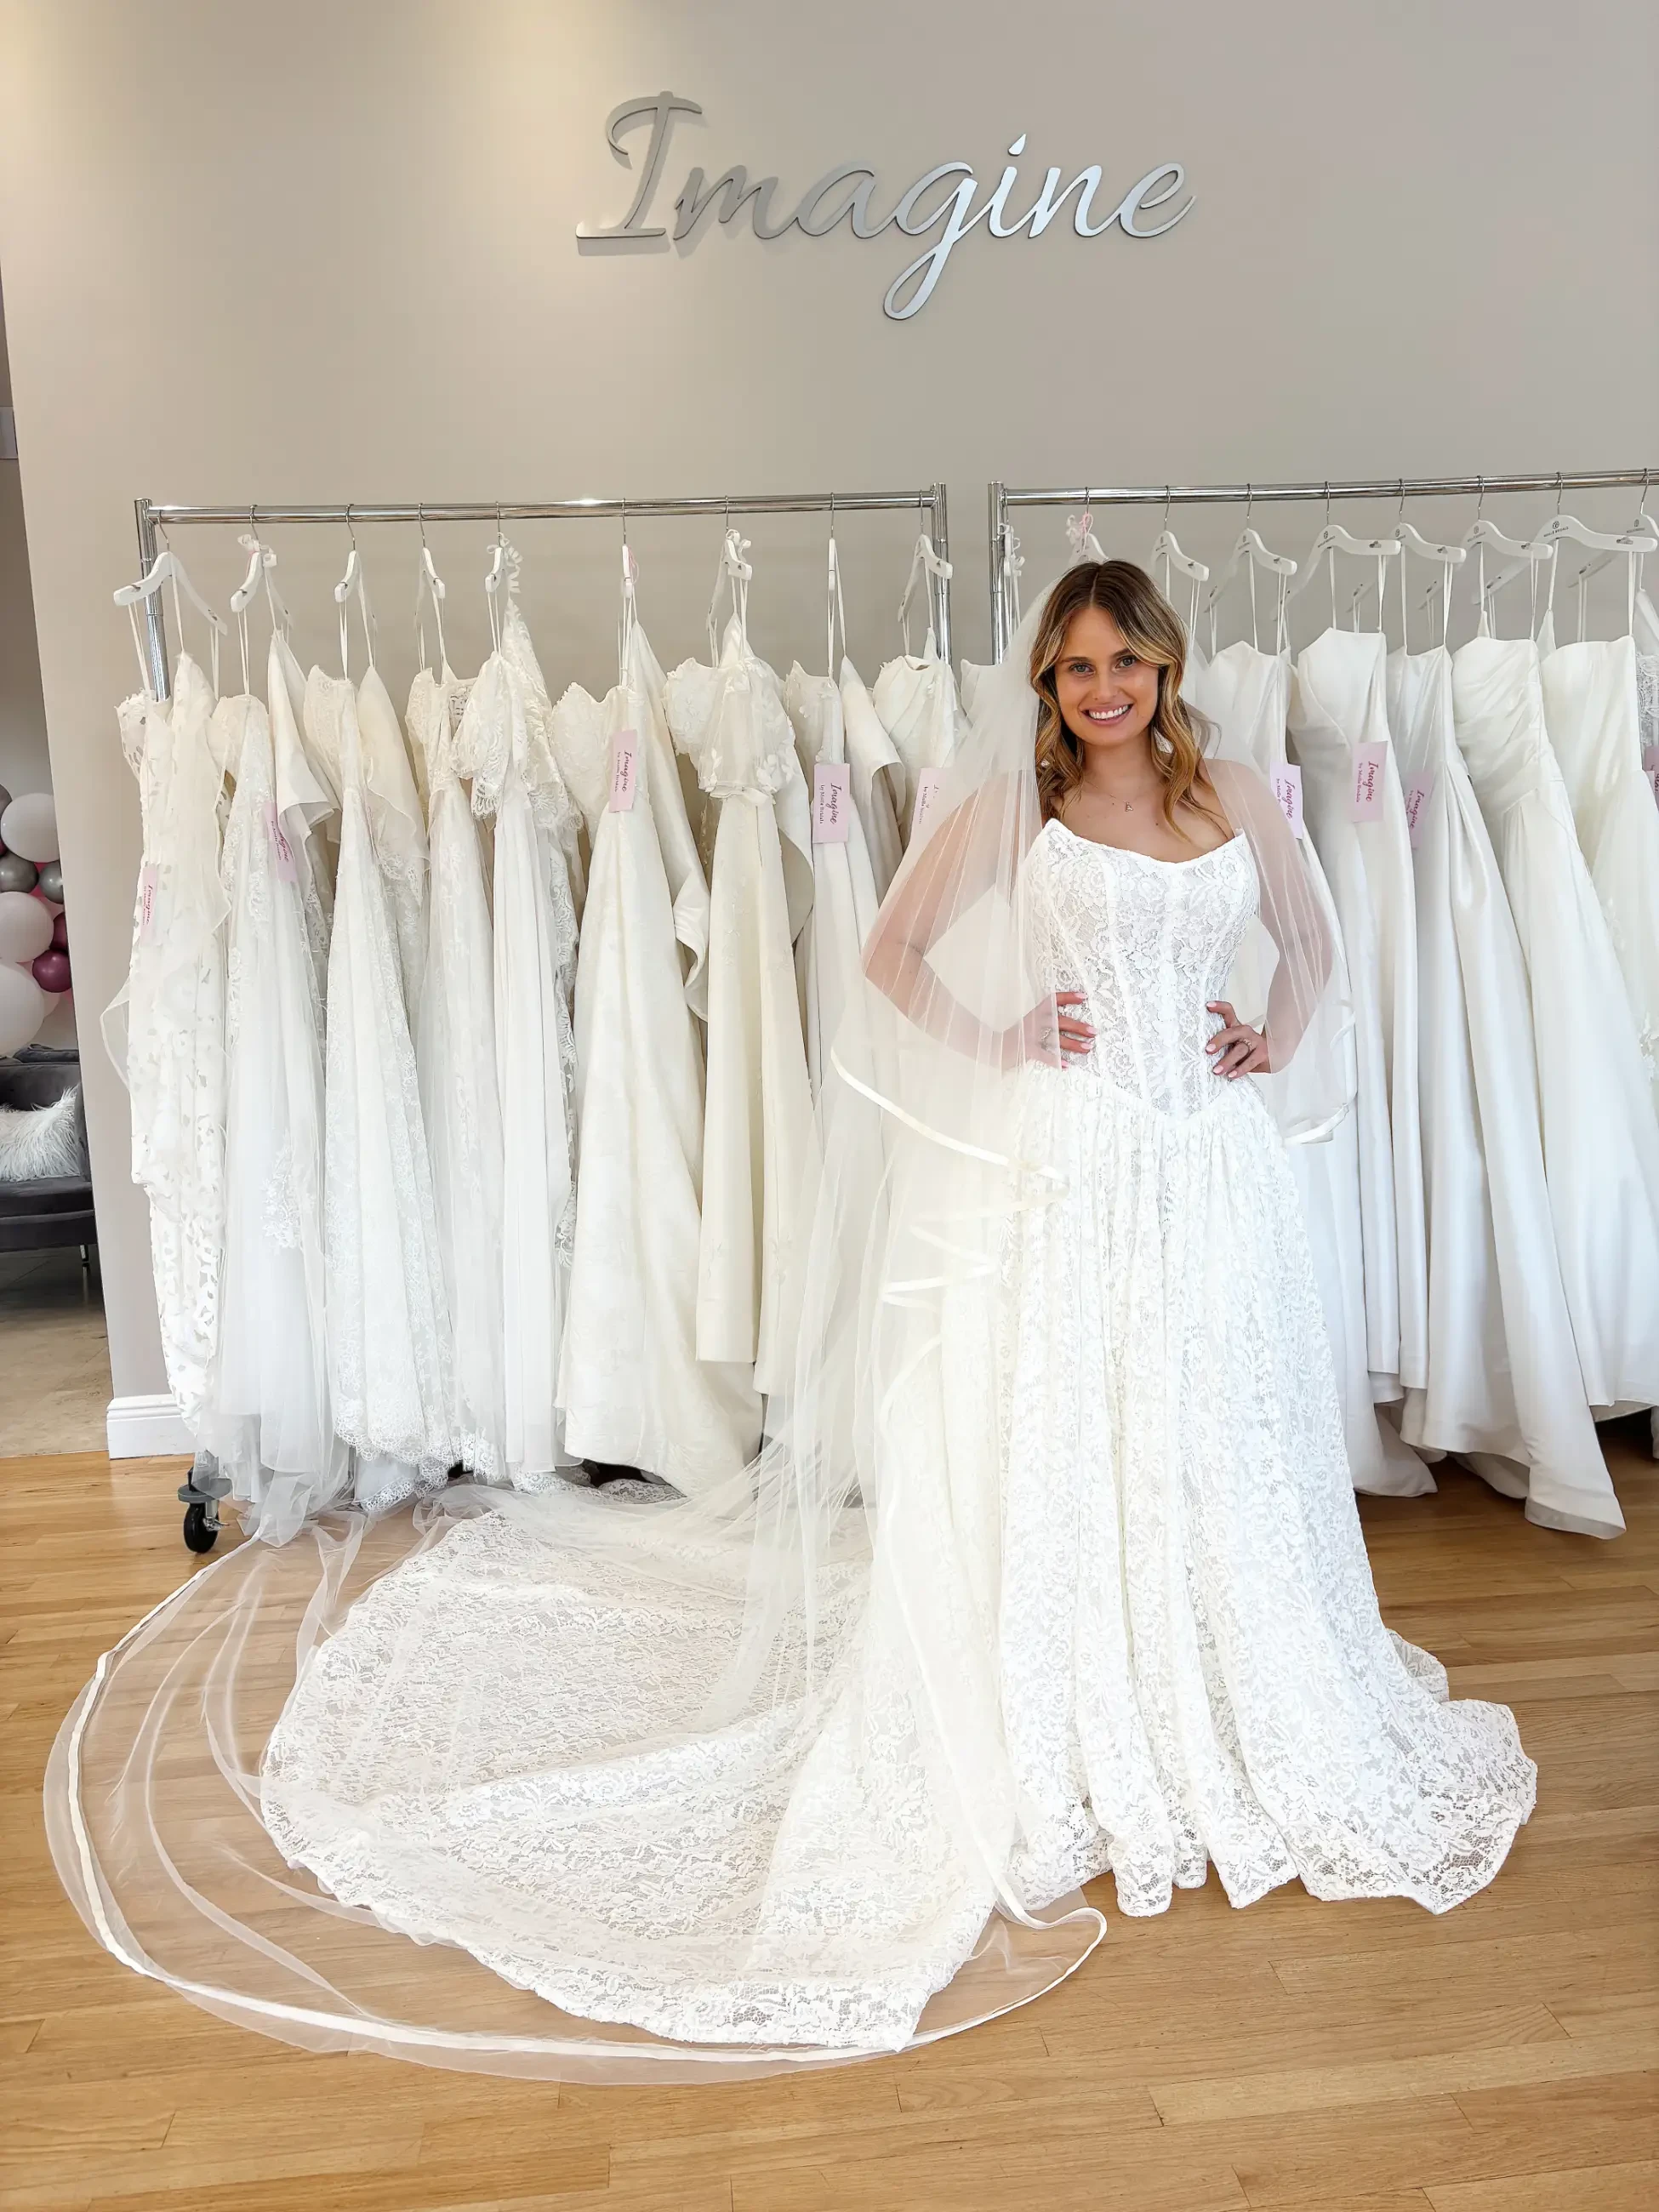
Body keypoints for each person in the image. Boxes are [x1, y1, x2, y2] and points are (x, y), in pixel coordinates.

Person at [48, 563, 1539, 2087]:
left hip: (1209, 1173)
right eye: (1077, 667)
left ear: (1164, 668)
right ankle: (1080, 1683)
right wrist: (1006, 1035)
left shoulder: (1228, 793)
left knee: (1206, 1417)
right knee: (1072, 1417)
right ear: (1047, 684)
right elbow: (892, 954)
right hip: (1072, 1160)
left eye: (1126, 663)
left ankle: (1214, 1668)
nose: (1104, 690)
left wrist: (1265, 1035)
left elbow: (1310, 941)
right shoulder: (1016, 809)